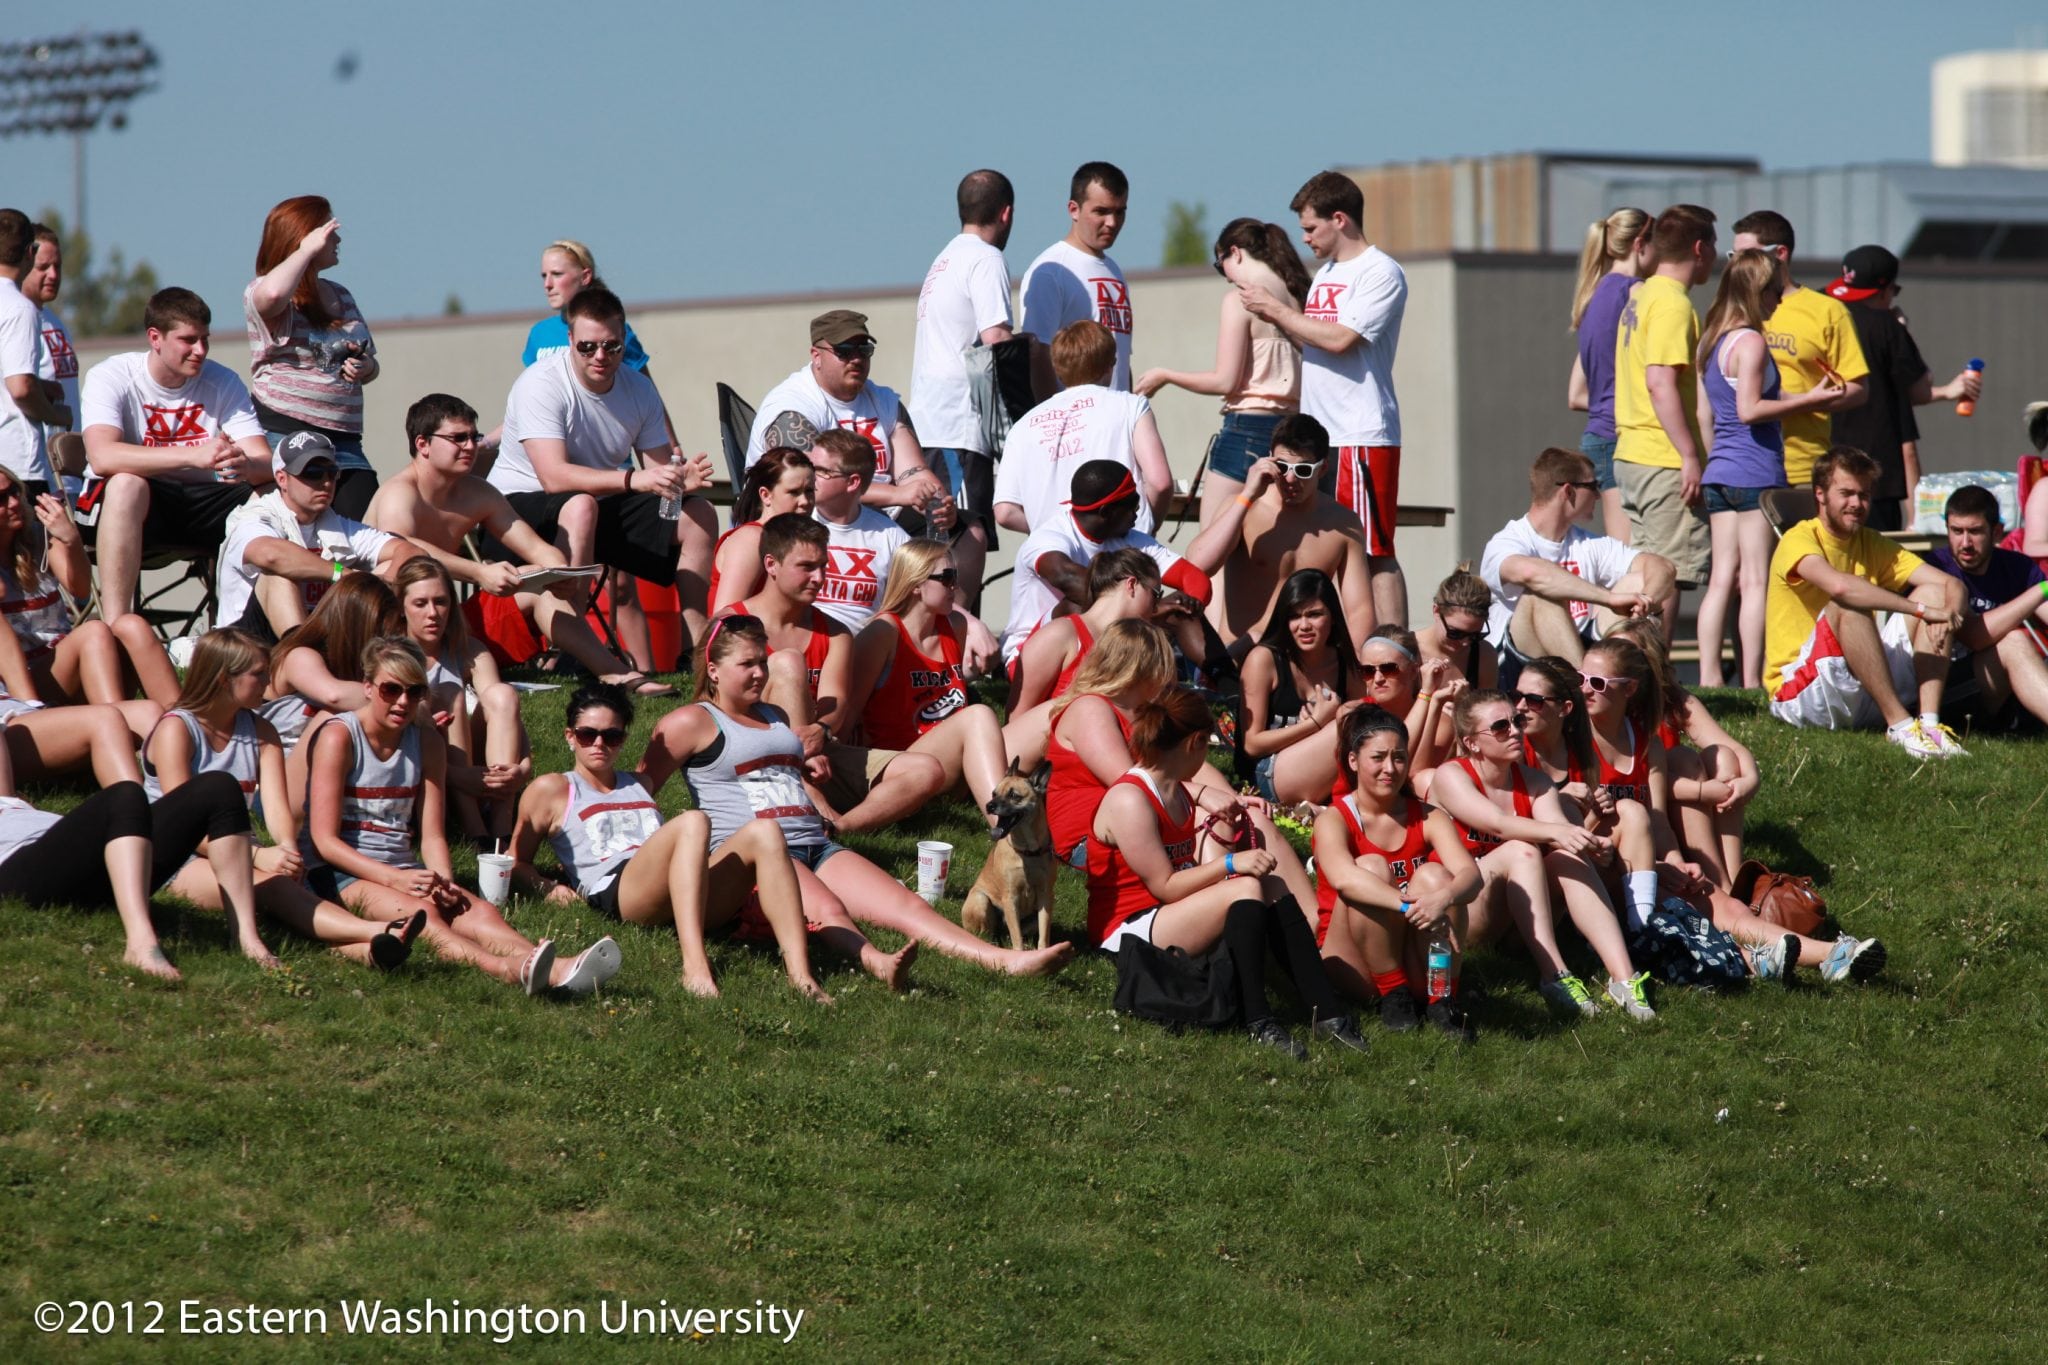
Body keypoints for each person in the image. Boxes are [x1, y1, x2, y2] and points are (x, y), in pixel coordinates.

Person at [642, 615, 1074, 980]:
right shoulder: (691, 721)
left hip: (816, 842)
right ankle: (877, 962)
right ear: (713, 670)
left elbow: (777, 769)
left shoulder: (771, 715)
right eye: (746, 665)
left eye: (762, 662)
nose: (759, 673)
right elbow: (639, 792)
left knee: (908, 905)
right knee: (829, 908)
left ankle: (1008, 960)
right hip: (762, 856)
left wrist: (804, 769)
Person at [303, 636, 620, 995]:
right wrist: (395, 879)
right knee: (425, 915)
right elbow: (324, 841)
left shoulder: (425, 742)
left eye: (414, 691)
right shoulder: (340, 737)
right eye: (391, 689)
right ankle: (507, 969)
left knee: (478, 911)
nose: (403, 701)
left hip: (401, 869)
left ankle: (558, 966)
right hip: (336, 872)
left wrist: (445, 882)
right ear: (368, 687)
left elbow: (434, 834)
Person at [1583, 634, 1883, 984]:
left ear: (1629, 689)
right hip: (1600, 869)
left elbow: (1658, 818)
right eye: (1580, 679)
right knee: (1690, 906)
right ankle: (1760, 957)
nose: (1585, 689)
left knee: (1718, 901)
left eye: (1597, 682)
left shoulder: (1645, 742)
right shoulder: (1575, 739)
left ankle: (1830, 954)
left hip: (1644, 862)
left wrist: (1676, 863)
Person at [1090, 685, 1368, 1060]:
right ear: (1195, 742)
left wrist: (1222, 804)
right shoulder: (1130, 799)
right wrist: (1229, 864)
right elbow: (1166, 886)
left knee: (1266, 883)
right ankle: (1258, 1021)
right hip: (1127, 933)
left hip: (1165, 915)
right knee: (1244, 887)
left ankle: (1328, 1014)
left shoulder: (1174, 787)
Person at [510, 682, 830, 1001]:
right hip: (623, 888)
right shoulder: (553, 788)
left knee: (766, 830)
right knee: (693, 820)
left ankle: (802, 978)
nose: (599, 744)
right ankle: (695, 967)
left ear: (623, 740)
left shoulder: (639, 783)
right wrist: (547, 887)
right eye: (587, 734)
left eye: (612, 736)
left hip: (679, 884)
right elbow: (516, 862)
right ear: (570, 736)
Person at [143, 627, 424, 972]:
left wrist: (289, 850)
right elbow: (182, 824)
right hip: (176, 858)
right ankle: (379, 931)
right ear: (223, 679)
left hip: (235, 852)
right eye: (258, 674)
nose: (269, 682)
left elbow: (276, 808)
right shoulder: (177, 729)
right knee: (272, 890)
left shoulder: (261, 731)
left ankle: (369, 952)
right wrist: (260, 855)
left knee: (284, 891)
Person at [487, 287, 717, 673]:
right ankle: (574, 654)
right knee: (579, 505)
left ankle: (695, 653)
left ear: (624, 341)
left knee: (700, 516)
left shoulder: (639, 389)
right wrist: (635, 480)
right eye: (588, 346)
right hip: (518, 511)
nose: (600, 356)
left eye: (612, 346)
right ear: (570, 341)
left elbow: (659, 477)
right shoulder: (540, 383)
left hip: (597, 504)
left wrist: (678, 484)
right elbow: (554, 476)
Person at [366, 393, 655, 692]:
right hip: (386, 631)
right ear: (422, 444)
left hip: (443, 623)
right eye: (458, 438)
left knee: (537, 578)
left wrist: (559, 572)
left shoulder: (478, 492)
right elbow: (404, 552)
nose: (470, 446)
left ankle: (614, 674)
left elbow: (534, 546)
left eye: (473, 436)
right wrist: (478, 572)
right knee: (393, 572)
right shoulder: (399, 493)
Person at [1045, 619, 1317, 908]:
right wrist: (1202, 795)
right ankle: (1221, 911)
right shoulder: (1090, 709)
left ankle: (1313, 921)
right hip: (1093, 840)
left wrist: (1232, 798)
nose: (1168, 676)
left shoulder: (1140, 713)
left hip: (1141, 824)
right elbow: (1132, 783)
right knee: (1213, 821)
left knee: (1248, 818)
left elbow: (1187, 765)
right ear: (1141, 668)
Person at [1238, 171, 1408, 626]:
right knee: (1330, 548)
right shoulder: (1329, 273)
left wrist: (1276, 310)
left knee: (1373, 549)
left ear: (1340, 219)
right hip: (1321, 436)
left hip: (1360, 433)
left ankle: (1392, 649)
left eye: (1311, 228)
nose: (1305, 238)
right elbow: (1314, 343)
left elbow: (1339, 339)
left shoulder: (1380, 272)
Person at [1428, 689, 1654, 1020]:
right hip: (1462, 913)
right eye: (1501, 727)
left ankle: (1623, 978)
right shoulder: (1451, 774)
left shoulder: (1535, 781)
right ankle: (1555, 976)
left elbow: (1561, 832)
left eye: (1517, 721)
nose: (1516, 730)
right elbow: (1499, 824)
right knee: (1521, 850)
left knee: (1567, 858)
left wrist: (1588, 844)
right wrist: (1565, 833)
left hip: (1515, 917)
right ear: (1471, 742)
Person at [718, 514, 947, 835]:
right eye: (807, 567)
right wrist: (791, 747)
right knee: (788, 663)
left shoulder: (836, 633)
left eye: (823, 566)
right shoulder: (731, 623)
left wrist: (822, 731)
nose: (819, 577)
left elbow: (836, 704)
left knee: (926, 770)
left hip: (817, 754)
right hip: (750, 757)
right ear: (771, 564)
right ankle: (812, 800)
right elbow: (715, 708)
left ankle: (839, 827)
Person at [77, 287, 276, 619]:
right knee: (127, 484)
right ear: (155, 338)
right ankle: (118, 628)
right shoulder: (113, 375)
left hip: (199, 504)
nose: (200, 350)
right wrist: (191, 455)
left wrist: (245, 465)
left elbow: (266, 463)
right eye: (188, 339)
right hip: (129, 508)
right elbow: (102, 457)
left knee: (269, 494)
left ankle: (244, 632)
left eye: (205, 339)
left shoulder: (223, 381)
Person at [1692, 249, 1842, 687]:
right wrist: (1816, 402)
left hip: (1720, 471)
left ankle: (1708, 678)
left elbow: (1718, 412)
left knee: (1721, 579)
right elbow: (1750, 410)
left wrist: (1808, 394)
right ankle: (1754, 681)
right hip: (1754, 472)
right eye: (1776, 290)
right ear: (1758, 291)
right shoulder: (1752, 341)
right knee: (1755, 579)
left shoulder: (1714, 339)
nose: (1780, 299)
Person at [0, 745, 267, 985]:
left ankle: (247, 938)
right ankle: (141, 944)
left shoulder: (15, 803)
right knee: (125, 794)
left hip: (94, 861)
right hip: (20, 871)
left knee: (218, 786)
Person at [1765, 446, 1970, 757]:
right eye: (1846, 493)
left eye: (1864, 495)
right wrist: (1921, 611)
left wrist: (1948, 614)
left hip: (1861, 687)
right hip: (1804, 694)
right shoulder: (1798, 539)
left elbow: (1950, 583)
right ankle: (1900, 727)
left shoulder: (1871, 541)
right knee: (1848, 600)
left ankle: (1928, 724)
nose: (1857, 504)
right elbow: (1841, 587)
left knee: (1935, 593)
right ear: (1820, 495)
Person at [1312, 705, 1482, 1037]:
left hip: (1410, 947)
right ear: (1352, 761)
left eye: (1400, 757)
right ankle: (1393, 995)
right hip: (1354, 960)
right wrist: (1413, 906)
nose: (1390, 768)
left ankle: (1441, 998)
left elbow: (1471, 877)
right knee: (1369, 868)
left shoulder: (1430, 816)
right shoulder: (1334, 818)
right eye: (1378, 757)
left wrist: (1442, 898)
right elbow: (1345, 878)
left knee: (1437, 877)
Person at [1135, 217, 1305, 537]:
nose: (1226, 278)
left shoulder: (1240, 300)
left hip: (1247, 431)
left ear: (1235, 253)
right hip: (1293, 433)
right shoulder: (1297, 296)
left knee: (1213, 543)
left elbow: (1225, 381)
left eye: (1220, 264)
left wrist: (1165, 375)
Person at [999, 459, 1226, 676]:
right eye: (1133, 505)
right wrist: (1155, 608)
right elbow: (1070, 580)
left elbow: (1195, 578)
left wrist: (1189, 604)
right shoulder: (1049, 537)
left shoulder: (1130, 537)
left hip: (1100, 644)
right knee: (1078, 607)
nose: (1139, 512)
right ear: (1106, 511)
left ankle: (1231, 689)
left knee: (1181, 605)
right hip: (1029, 656)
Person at [0, 464, 176, 739]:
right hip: (25, 685)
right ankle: (120, 731)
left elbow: (80, 587)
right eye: (1, 499)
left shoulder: (36, 536)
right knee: (94, 631)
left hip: (70, 662)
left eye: (14, 492)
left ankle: (186, 721)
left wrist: (70, 539)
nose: (13, 503)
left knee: (130, 624)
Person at [908, 169, 1015, 604]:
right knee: (963, 534)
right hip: (957, 425)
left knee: (938, 537)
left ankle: (949, 645)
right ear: (1006, 214)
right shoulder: (986, 258)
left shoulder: (946, 257)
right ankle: (960, 646)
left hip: (933, 423)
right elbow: (997, 342)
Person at [745, 310, 951, 535]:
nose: (856, 359)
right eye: (844, 351)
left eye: (864, 350)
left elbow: (913, 473)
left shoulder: (885, 401)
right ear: (816, 355)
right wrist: (896, 495)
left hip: (879, 517)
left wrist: (939, 504)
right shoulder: (792, 408)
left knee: (971, 531)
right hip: (806, 523)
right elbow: (812, 487)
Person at [1824, 245, 1987, 529]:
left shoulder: (1821, 314)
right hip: (1872, 481)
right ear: (1885, 290)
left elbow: (1889, 393)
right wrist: (1902, 331)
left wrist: (1948, 392)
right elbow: (1918, 389)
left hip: (1819, 472)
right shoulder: (1885, 327)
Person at [1479, 446, 1672, 686]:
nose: (1599, 496)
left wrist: (1645, 601)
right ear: (1568, 491)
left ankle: (1639, 691)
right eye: (1593, 486)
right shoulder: (1507, 542)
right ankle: (1590, 689)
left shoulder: (1589, 543)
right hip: (1521, 666)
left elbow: (1661, 567)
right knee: (1540, 596)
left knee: (1638, 581)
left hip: (1580, 652)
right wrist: (1609, 598)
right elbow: (1532, 574)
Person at [843, 539, 1007, 815]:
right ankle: (1006, 827)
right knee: (977, 715)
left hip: (954, 752)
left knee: (1053, 714)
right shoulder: (883, 633)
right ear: (915, 584)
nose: (955, 584)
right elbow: (849, 715)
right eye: (947, 577)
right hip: (906, 765)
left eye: (955, 576)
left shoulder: (955, 624)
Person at [243, 195, 382, 519]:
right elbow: (274, 295)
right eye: (329, 230)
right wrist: (305, 250)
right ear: (305, 235)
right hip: (285, 437)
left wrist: (366, 367)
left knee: (365, 533)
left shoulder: (342, 294)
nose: (337, 239)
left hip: (344, 442)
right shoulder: (264, 290)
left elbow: (371, 362)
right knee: (303, 539)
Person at [217, 431, 421, 642]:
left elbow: (410, 552)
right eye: (313, 472)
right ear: (281, 478)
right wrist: (344, 575)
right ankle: (302, 662)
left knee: (393, 570)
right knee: (277, 575)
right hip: (244, 646)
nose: (325, 482)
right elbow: (269, 554)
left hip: (317, 636)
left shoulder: (337, 524)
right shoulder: (256, 516)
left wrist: (386, 582)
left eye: (331, 472)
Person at [1613, 204, 1716, 623]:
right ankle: (1652, 675)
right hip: (1661, 458)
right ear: (1698, 248)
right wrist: (1690, 455)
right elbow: (1660, 381)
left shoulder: (1643, 295)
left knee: (1643, 574)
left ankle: (1634, 669)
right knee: (1666, 577)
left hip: (1632, 454)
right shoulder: (1673, 304)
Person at [1603, 617, 1758, 889]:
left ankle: (1735, 880)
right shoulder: (1611, 710)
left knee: (1722, 756)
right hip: (1646, 807)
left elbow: (1732, 747)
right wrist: (1699, 791)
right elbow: (1633, 782)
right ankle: (1718, 883)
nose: (1619, 659)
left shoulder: (1672, 699)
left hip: (1679, 803)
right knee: (1683, 759)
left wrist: (1749, 781)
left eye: (1628, 652)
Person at [1205, 414, 1374, 652]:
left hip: (1306, 662)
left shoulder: (1342, 523)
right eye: (1282, 467)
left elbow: (1360, 611)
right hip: (1243, 652)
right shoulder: (1244, 508)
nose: (1290, 478)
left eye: (1303, 470)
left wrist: (1356, 673)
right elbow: (1199, 566)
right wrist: (1246, 497)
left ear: (1323, 468)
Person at [1729, 210, 1869, 491]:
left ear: (1779, 253)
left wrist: (1806, 401)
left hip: (1803, 467)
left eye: (1746, 255)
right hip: (1742, 465)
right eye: (1733, 256)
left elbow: (1858, 388)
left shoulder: (1826, 310)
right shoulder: (1731, 309)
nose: (1737, 265)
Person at [394, 557, 530, 841]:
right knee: (444, 695)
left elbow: (507, 713)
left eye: (441, 602)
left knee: (502, 693)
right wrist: (455, 775)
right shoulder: (392, 655)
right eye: (421, 604)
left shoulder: (468, 650)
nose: (433, 613)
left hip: (471, 767)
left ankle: (501, 830)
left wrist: (522, 770)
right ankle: (476, 831)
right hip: (417, 769)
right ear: (402, 607)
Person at [994, 320, 1171, 534]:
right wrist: (1146, 527)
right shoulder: (1130, 405)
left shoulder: (1022, 427)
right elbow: (1159, 483)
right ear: (1111, 364)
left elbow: (1004, 512)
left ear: (1058, 370)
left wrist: (1052, 534)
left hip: (1054, 556)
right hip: (1123, 549)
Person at [264, 571, 404, 817]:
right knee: (333, 717)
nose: (387, 640)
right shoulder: (300, 654)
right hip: (275, 789)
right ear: (359, 625)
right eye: (383, 631)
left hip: (331, 776)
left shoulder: (357, 669)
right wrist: (402, 699)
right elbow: (334, 696)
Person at [1236, 569, 1368, 805]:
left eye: (1314, 614)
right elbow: (1251, 744)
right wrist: (1314, 724)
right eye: (1295, 616)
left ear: (1333, 617)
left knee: (1363, 716)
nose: (1304, 625)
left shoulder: (1345, 664)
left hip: (1323, 775)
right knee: (1349, 718)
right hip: (1265, 775)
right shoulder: (1264, 659)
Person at [1927, 483, 2048, 730]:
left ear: (1997, 532)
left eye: (1975, 531)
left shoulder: (2017, 567)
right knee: (2014, 642)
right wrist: (2041, 590)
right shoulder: (1933, 568)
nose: (1965, 543)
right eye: (1956, 531)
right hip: (1941, 691)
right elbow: (1975, 636)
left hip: (1989, 690)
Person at [1567, 208, 1649, 543]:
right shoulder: (1636, 292)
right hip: (1625, 438)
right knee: (1635, 565)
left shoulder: (1593, 296)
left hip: (1598, 436)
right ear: (1641, 243)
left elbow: (1575, 394)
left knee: (1621, 558)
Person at [1019, 162, 1133, 391]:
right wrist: (1051, 419)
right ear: (1074, 209)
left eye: (1119, 212)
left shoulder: (1114, 270)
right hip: (1073, 421)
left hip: (1115, 420)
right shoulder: (1050, 270)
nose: (1112, 222)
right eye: (1101, 211)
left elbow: (1121, 359)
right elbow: (1037, 354)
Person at [1010, 548, 1160, 715]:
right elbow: (1017, 719)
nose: (1155, 609)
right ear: (1131, 585)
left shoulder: (1134, 646)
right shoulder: (1060, 635)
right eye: (1156, 595)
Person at [805, 429, 913, 635]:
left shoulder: (891, 536)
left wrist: (970, 623)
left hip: (864, 653)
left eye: (821, 471)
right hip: (805, 644)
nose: (811, 477)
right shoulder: (793, 524)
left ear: (852, 482)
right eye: (809, 467)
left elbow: (924, 594)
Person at [0, 210, 64, 492]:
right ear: (30, 251)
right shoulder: (19, 306)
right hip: (15, 463)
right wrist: (55, 416)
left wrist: (41, 385)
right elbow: (21, 387)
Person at [709, 446, 813, 615]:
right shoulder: (751, 540)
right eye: (793, 492)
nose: (805, 501)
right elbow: (726, 618)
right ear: (765, 495)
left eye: (809, 491)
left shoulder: (793, 541)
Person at [24, 224, 82, 493]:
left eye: (57, 266)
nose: (53, 275)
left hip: (68, 473)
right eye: (43, 267)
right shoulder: (16, 319)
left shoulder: (53, 320)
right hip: (36, 472)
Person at [1416, 567, 1498, 692]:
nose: (1465, 642)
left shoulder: (1484, 654)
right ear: (1436, 611)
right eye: (1455, 633)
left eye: (1475, 636)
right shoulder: (1406, 651)